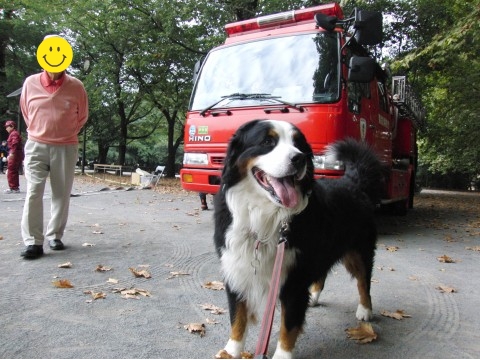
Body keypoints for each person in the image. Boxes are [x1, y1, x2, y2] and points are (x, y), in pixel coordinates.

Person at [19, 35, 89, 259]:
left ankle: (55, 235)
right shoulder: (30, 83)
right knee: (33, 191)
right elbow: (26, 112)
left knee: (61, 193)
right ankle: (33, 242)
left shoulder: (76, 86)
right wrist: (42, 130)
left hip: (65, 147)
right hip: (37, 145)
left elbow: (83, 116)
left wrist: (64, 132)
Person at [4, 120, 23, 193]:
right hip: (16, 154)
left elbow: (15, 143)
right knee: (13, 171)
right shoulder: (14, 133)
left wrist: (12, 153)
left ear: (12, 126)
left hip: (15, 154)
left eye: (7, 126)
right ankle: (14, 187)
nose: (6, 128)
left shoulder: (14, 134)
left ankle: (13, 187)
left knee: (11, 171)